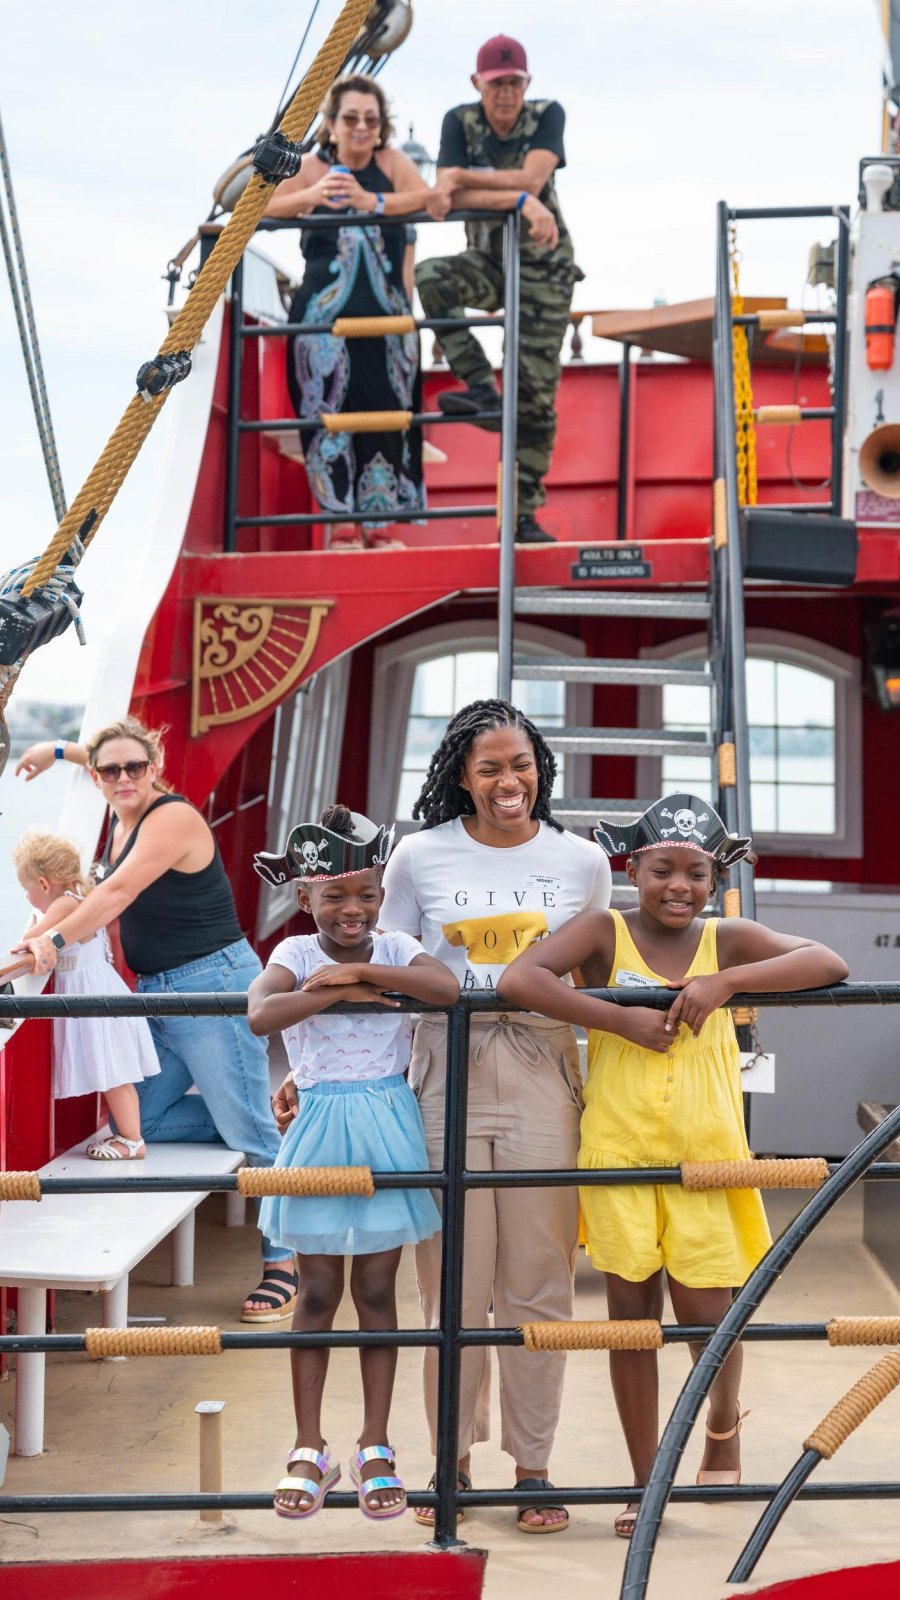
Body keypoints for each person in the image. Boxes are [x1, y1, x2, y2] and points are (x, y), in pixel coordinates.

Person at [496, 793, 849, 1538]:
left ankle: (721, 1422)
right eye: (662, 870)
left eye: (696, 873)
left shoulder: (727, 939)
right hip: (620, 1156)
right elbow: (520, 980)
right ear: (633, 869)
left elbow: (829, 961)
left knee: (705, 1320)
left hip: (708, 1159)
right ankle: (645, 1481)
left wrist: (727, 985)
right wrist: (615, 1016)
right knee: (631, 1324)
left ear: (716, 880)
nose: (678, 887)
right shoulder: (604, 931)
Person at [349, 698, 609, 1534]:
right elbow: (387, 969)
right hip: (443, 1065)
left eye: (522, 764)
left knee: (541, 1283)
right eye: (490, 767)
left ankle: (534, 1467)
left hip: (542, 1062)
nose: (510, 781)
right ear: (461, 774)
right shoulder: (419, 854)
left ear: (542, 768)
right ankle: (449, 1461)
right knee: (452, 1286)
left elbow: (599, 966)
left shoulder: (581, 860)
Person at [13, 718, 296, 1322]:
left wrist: (50, 940)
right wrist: (53, 750)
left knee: (249, 1138)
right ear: (98, 774)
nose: (122, 778)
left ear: (154, 768)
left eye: (135, 768)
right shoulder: (118, 799)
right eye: (109, 770)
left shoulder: (170, 818)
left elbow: (113, 897)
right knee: (147, 1120)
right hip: (157, 995)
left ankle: (283, 1262)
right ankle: (254, 1110)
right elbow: (102, 755)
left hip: (210, 987)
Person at [248, 805, 457, 1520]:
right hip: (317, 1126)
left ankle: (376, 1442)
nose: (353, 907)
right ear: (304, 897)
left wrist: (368, 972)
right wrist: (339, 988)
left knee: (375, 1290)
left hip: (386, 1125)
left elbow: (447, 989)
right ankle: (309, 1447)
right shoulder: (295, 956)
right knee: (313, 1295)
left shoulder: (397, 946)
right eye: (334, 894)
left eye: (367, 893)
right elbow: (260, 1014)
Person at [264, 74, 448, 550]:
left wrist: (374, 202)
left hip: (385, 318)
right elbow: (259, 202)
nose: (361, 127)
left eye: (370, 119)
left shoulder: (392, 162)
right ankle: (342, 526)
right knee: (327, 415)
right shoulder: (311, 167)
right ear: (331, 123)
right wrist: (311, 197)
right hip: (323, 320)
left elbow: (428, 199)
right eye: (351, 118)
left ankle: (379, 526)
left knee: (387, 414)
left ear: (381, 125)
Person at [417, 35, 583, 545]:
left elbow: (524, 180)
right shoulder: (458, 121)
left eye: (514, 84)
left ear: (526, 85)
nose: (506, 95)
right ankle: (481, 391)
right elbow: (446, 197)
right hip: (489, 261)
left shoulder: (547, 115)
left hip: (543, 271)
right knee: (430, 278)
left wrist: (479, 181)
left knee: (534, 394)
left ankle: (524, 515)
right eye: (496, 85)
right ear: (477, 85)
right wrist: (518, 198)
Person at [12, 826, 160, 1158]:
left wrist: (31, 925)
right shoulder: (71, 902)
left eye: (26, 888)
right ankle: (128, 1137)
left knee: (114, 1072)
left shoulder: (63, 906)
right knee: (114, 1071)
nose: (26, 897)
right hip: (93, 994)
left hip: (94, 999)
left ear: (44, 884)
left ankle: (132, 1142)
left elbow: (25, 942)